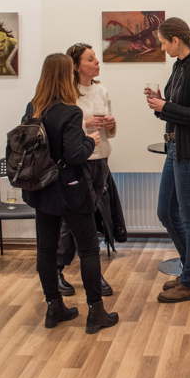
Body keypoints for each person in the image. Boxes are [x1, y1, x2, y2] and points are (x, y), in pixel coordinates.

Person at [21, 53, 119, 334]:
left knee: (46, 249)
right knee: (88, 249)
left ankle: (54, 307)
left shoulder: (33, 107)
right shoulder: (70, 111)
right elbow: (75, 155)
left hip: (42, 188)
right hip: (71, 189)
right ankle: (96, 311)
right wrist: (90, 141)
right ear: (66, 75)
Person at [145, 17, 190, 303]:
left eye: (164, 42)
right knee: (166, 211)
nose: (162, 48)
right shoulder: (179, 66)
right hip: (176, 148)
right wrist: (160, 103)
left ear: (176, 40)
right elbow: (176, 109)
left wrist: (166, 106)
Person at [56, 43, 118, 298]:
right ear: (76, 66)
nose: (96, 62)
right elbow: (61, 129)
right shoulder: (66, 93)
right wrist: (85, 123)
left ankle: (75, 269)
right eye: (90, 59)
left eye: (96, 58)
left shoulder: (101, 89)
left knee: (88, 215)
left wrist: (111, 124)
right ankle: (64, 268)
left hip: (100, 158)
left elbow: (110, 133)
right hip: (78, 160)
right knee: (76, 217)